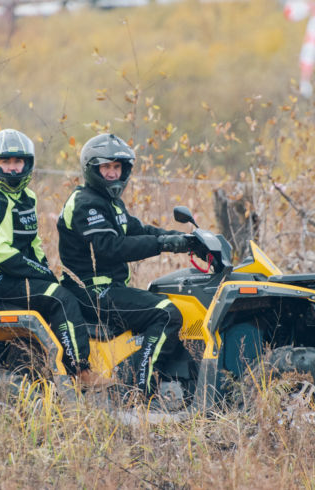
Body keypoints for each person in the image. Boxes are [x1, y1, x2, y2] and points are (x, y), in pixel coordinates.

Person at [0, 128, 109, 388]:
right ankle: (80, 372)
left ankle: (51, 369)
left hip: (16, 274)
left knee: (67, 290)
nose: (12, 168)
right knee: (60, 298)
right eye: (5, 162)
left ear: (27, 163)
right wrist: (39, 273)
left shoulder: (26, 197)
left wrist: (44, 269)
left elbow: (33, 243)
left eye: (18, 161)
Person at [56, 133, 191, 398]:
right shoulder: (87, 203)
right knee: (166, 314)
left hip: (108, 289)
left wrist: (183, 240)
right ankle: (138, 389)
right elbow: (109, 248)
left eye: (117, 167)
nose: (112, 173)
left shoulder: (109, 202)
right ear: (92, 169)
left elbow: (137, 229)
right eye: (105, 167)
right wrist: (162, 244)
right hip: (92, 293)